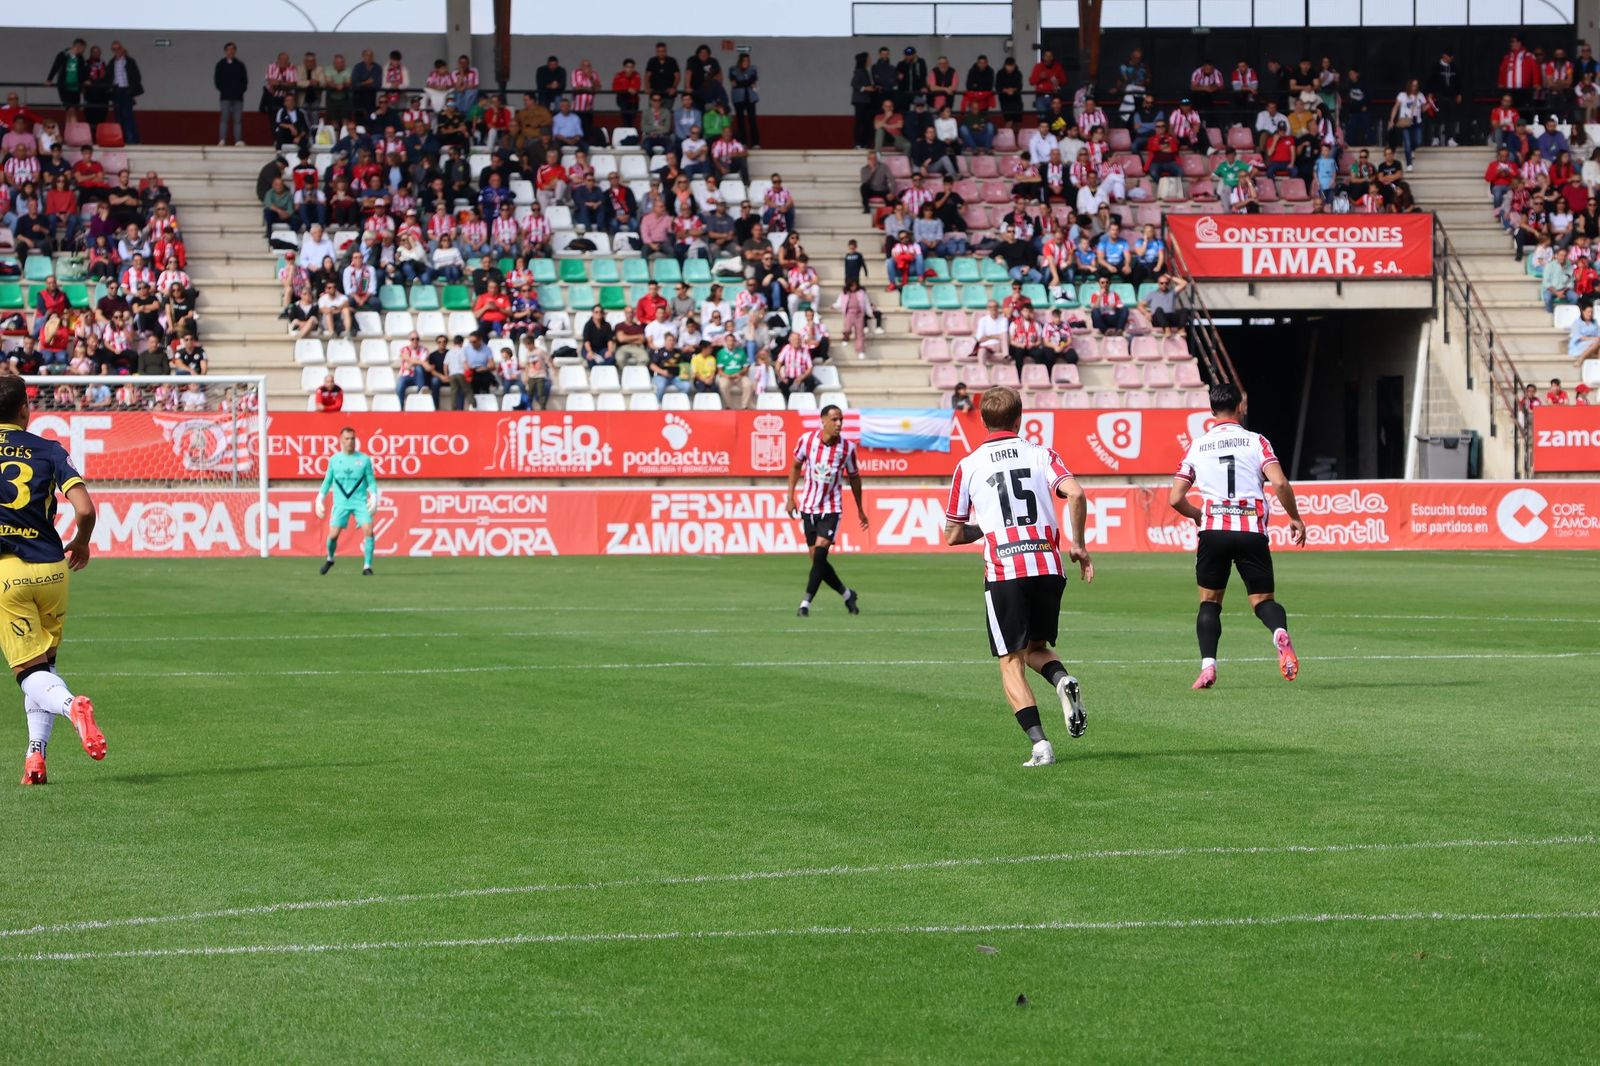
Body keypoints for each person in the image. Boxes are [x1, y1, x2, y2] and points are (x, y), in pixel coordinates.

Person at [941, 385, 1091, 768]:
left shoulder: (969, 465)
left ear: (983, 420)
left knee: (1010, 661)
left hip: (1006, 570)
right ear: (1019, 417)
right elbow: (1075, 494)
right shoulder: (1042, 454)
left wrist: (987, 530)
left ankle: (1041, 746)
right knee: (1035, 647)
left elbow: (953, 533)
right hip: (1047, 565)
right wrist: (1079, 545)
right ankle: (1061, 681)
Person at [0, 377, 105, 785]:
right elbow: (85, 509)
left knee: (30, 672)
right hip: (52, 568)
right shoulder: (49, 449)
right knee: (45, 665)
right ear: (25, 410)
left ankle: (71, 706)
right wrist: (81, 542)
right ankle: (35, 758)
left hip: (7, 572)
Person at [1169, 383, 1306, 691]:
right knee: (1262, 601)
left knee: (1209, 603)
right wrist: (1295, 517)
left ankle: (1208, 668)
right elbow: (1280, 483)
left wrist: (1198, 515)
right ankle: (1279, 632)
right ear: (1240, 406)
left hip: (1214, 530)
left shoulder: (1198, 445)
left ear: (1211, 410)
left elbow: (1175, 498)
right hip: (1251, 531)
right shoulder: (1256, 441)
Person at [786, 405, 866, 618]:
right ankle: (848, 594)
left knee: (820, 554)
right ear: (823, 421)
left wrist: (860, 509)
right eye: (834, 419)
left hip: (832, 509)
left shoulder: (847, 448)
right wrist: (790, 497)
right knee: (817, 560)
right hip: (808, 507)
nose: (839, 424)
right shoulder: (807, 441)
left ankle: (805, 603)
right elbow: (795, 466)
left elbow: (855, 477)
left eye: (841, 419)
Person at [314, 426, 378, 577]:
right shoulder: (335, 460)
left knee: (368, 530)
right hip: (341, 503)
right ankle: (330, 559)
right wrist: (320, 498)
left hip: (359, 502)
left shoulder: (364, 460)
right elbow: (327, 481)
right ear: (341, 441)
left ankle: (367, 566)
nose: (350, 442)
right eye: (347, 439)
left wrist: (374, 496)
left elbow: (371, 481)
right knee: (333, 535)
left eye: (353, 439)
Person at [215, 42, 249, 146]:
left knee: (237, 120)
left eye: (233, 49)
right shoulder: (220, 64)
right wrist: (224, 90)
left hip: (238, 97)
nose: (231, 51)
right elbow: (217, 81)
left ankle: (238, 140)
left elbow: (245, 81)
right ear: (225, 51)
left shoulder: (240, 65)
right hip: (225, 97)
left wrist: (240, 91)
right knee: (224, 119)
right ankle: (222, 140)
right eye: (229, 49)